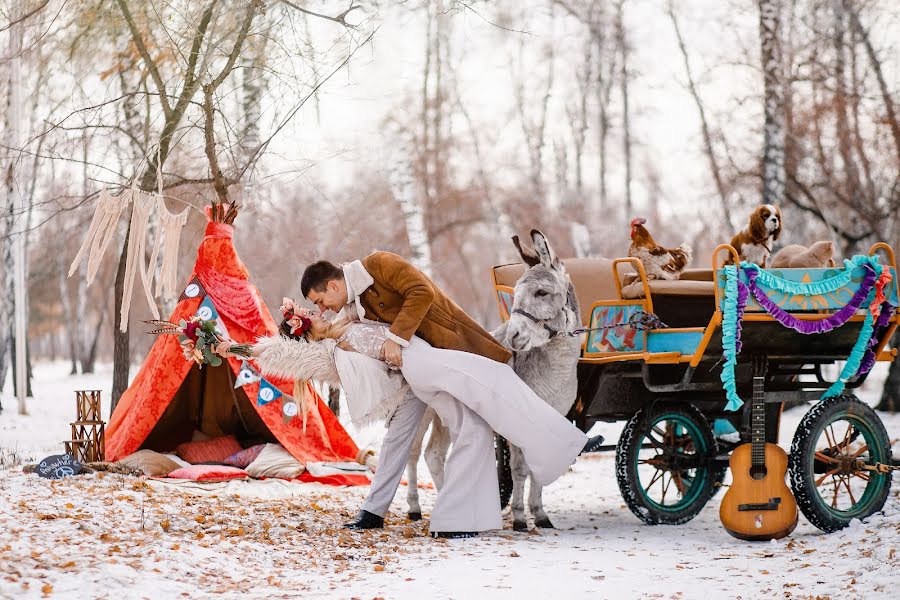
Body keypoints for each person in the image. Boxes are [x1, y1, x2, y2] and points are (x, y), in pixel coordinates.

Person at [300, 252, 587, 538]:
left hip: (442, 348)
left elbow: (421, 291)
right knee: (494, 387)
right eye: (316, 309)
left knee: (471, 428)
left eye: (319, 301)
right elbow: (335, 343)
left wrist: (395, 339)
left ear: (334, 286)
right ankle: (561, 445)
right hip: (421, 368)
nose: (322, 310)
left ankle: (413, 514)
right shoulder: (349, 316)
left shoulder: (379, 265)